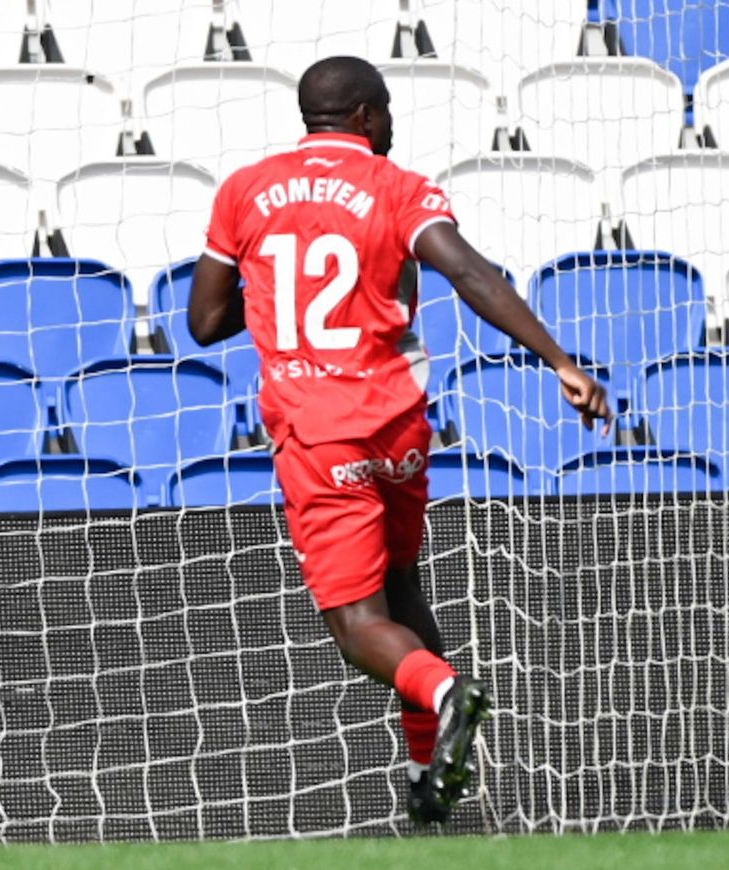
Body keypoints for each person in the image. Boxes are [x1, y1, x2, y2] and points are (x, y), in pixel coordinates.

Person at [188, 56, 612, 825]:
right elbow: (472, 276)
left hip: (320, 432)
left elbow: (204, 323)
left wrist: (270, 283)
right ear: (367, 116)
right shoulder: (398, 187)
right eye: (387, 113)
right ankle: (427, 775)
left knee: (357, 626)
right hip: (400, 428)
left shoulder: (245, 190)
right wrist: (560, 362)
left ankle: (445, 693)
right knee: (406, 584)